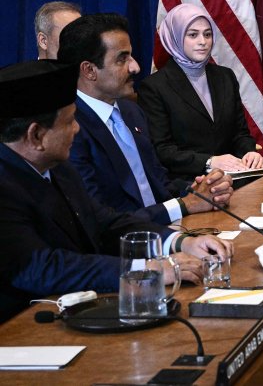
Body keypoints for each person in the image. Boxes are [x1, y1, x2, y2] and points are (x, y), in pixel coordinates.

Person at [0, 59, 232, 321]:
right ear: (36, 136)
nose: (77, 129)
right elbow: (40, 267)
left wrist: (179, 242)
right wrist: (146, 269)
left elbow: (104, 222)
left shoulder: (58, 167)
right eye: (69, 121)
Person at [58, 13, 233, 224]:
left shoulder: (132, 112)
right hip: (124, 246)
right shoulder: (69, 128)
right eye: (122, 59)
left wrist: (200, 189)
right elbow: (99, 219)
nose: (135, 67)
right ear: (89, 70)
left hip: (170, 229)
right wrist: (184, 205)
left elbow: (157, 182)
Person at [138, 4, 263, 188]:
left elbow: (240, 133)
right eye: (192, 35)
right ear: (174, 37)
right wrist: (209, 161)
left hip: (235, 178)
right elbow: (162, 150)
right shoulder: (154, 87)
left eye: (207, 34)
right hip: (190, 183)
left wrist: (249, 153)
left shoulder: (225, 76)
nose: (203, 41)